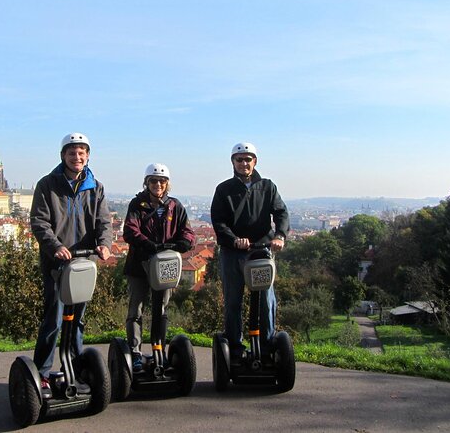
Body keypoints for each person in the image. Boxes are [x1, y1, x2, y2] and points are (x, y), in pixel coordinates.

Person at [30, 132, 112, 394]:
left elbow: (104, 222)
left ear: (87, 156)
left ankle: (74, 369)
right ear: (63, 156)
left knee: (77, 320)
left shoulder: (95, 187)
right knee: (54, 319)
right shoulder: (47, 185)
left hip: (84, 264)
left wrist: (105, 244)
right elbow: (39, 222)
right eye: (71, 153)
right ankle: (42, 372)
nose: (76, 157)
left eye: (81, 153)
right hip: (57, 263)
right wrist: (56, 247)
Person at [210, 142, 289, 360]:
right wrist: (234, 240)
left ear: (255, 161)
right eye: (239, 159)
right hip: (233, 253)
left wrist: (280, 236)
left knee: (266, 300)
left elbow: (281, 212)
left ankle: (267, 347)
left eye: (248, 159)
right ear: (233, 162)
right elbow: (219, 221)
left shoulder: (267, 186)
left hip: (261, 252)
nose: (244, 163)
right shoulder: (224, 189)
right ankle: (235, 348)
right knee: (233, 301)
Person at [123, 163, 195, 371]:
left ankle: (158, 348)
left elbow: (188, 231)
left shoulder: (174, 206)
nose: (157, 184)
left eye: (161, 181)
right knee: (136, 309)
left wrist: (184, 242)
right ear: (146, 183)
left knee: (161, 309)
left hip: (165, 265)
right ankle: (135, 351)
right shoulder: (137, 205)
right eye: (153, 181)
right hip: (140, 264)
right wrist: (147, 244)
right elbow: (130, 230)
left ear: (167, 184)